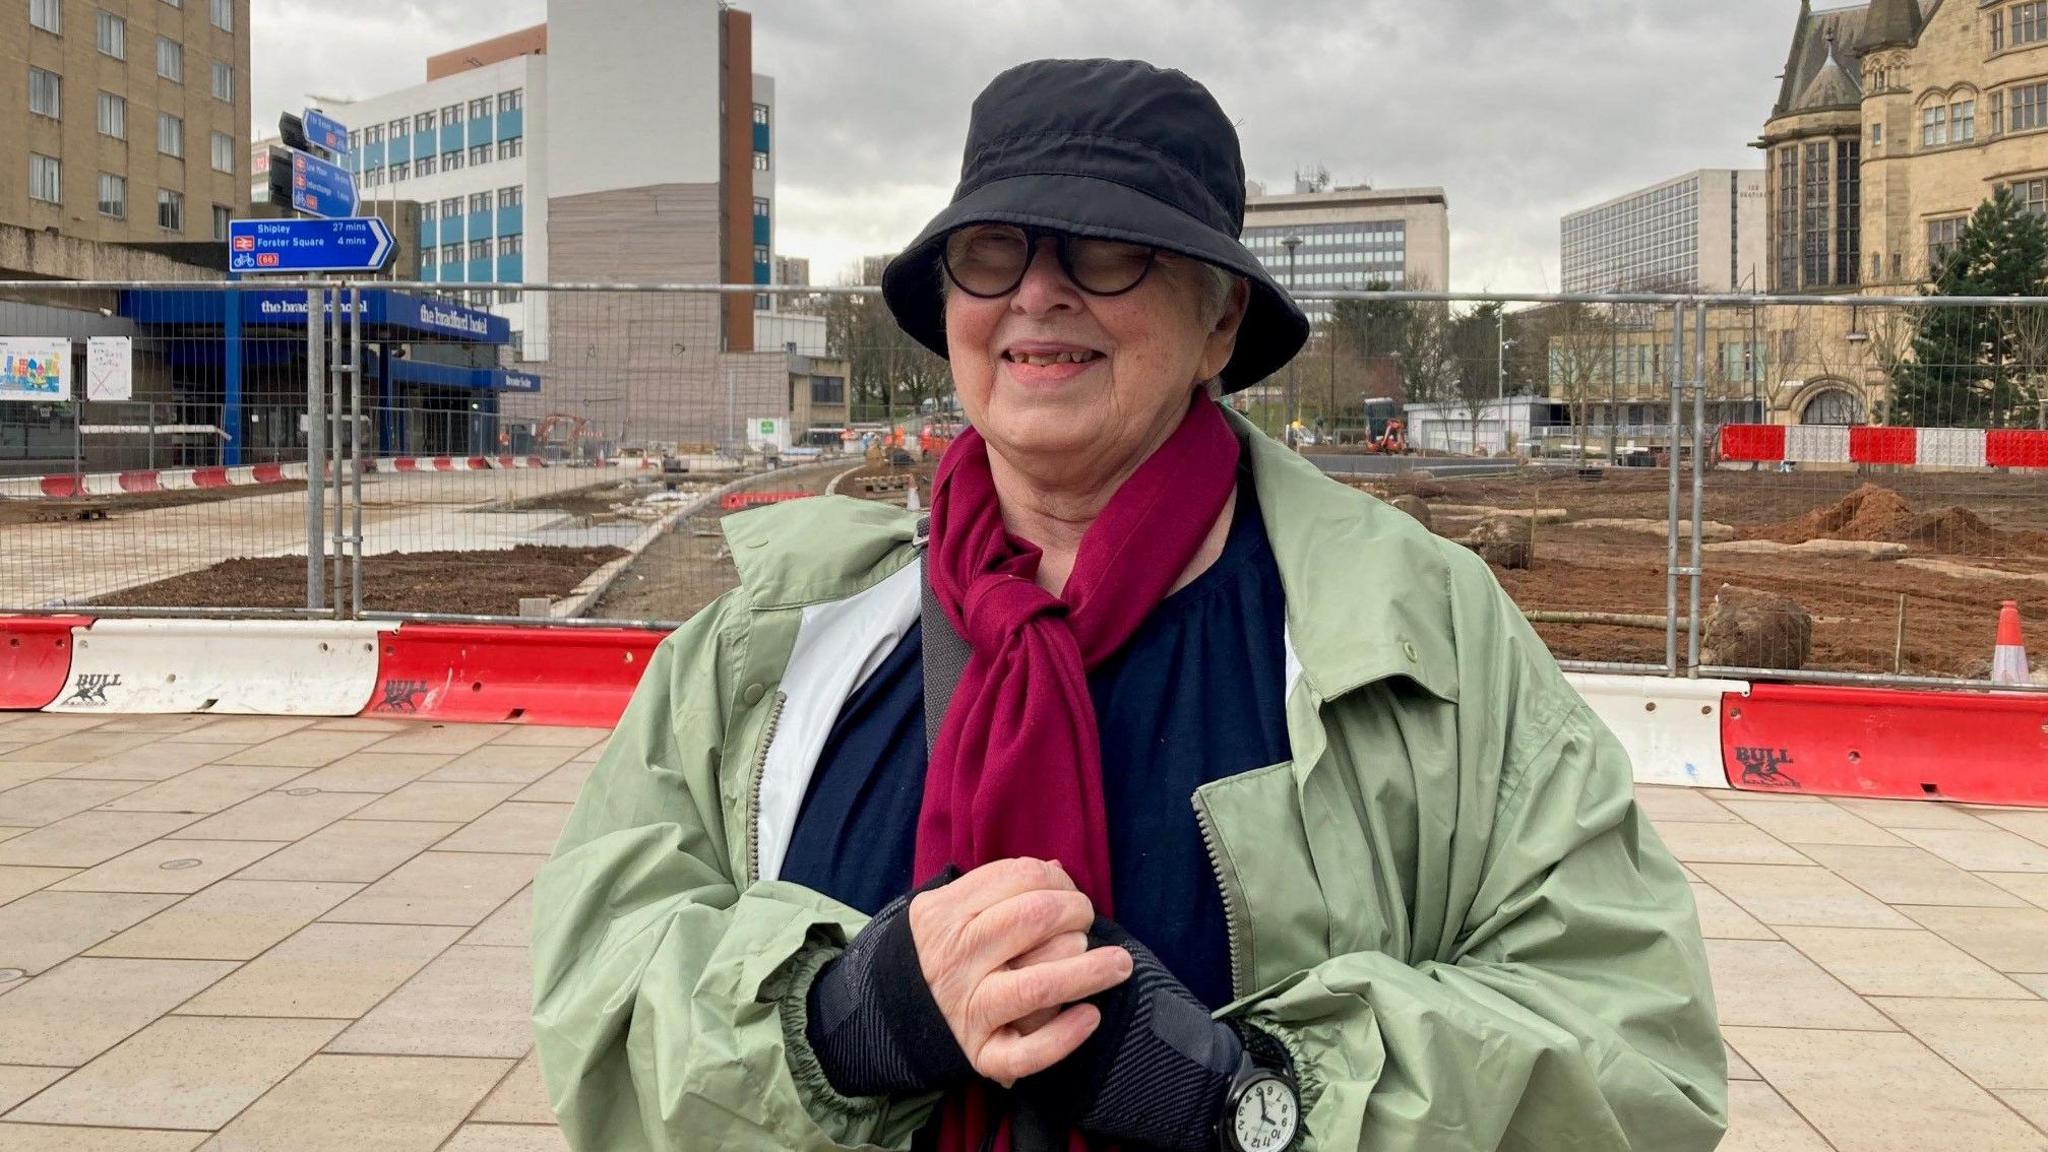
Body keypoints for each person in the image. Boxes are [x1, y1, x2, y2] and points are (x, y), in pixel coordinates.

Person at [532, 58, 1726, 1152]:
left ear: (1217, 324)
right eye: (994, 251)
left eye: (1104, 251)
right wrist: (846, 1021)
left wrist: (1239, 1097)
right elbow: (600, 990)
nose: (1037, 296)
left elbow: (1632, 1051)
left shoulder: (1421, 637)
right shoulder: (776, 640)